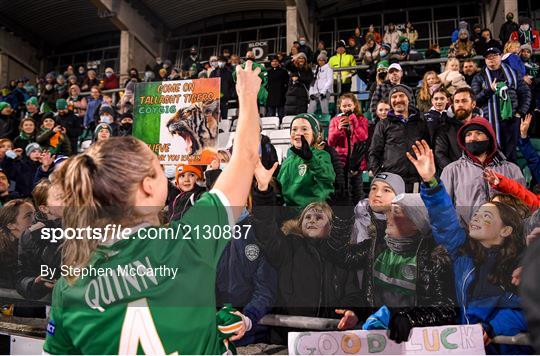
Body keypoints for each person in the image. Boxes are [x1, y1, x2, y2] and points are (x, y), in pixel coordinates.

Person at [42, 61, 263, 354]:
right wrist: (247, 94)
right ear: (148, 186)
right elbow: (246, 156)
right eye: (159, 168)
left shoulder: (68, 288)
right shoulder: (187, 242)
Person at [409, 140, 533, 354]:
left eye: (487, 216)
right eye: (477, 212)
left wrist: (491, 328)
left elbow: (524, 308)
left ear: (506, 230)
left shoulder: (523, 264)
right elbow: (445, 220)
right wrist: (431, 182)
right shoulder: (463, 252)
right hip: (469, 347)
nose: (475, 218)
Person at [323, 190, 456, 344]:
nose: (388, 216)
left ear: (416, 223)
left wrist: (408, 319)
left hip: (412, 343)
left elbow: (445, 309)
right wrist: (355, 311)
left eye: (396, 212)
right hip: (376, 340)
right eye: (389, 211)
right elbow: (342, 257)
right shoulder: (376, 246)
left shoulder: (434, 258)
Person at [251, 172, 363, 332]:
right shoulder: (287, 246)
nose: (311, 220)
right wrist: (262, 193)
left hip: (329, 336)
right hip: (287, 336)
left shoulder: (341, 256)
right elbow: (265, 231)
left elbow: (352, 293)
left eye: (318, 218)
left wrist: (352, 311)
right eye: (307, 217)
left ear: (331, 226)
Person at [440, 117, 525, 224]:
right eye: (468, 134)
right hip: (467, 235)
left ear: (489, 137)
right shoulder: (451, 171)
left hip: (504, 236)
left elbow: (522, 206)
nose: (472, 138)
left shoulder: (512, 170)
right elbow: (443, 210)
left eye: (478, 133)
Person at [471, 46, 531, 162]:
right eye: (488, 57)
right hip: (489, 122)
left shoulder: (513, 73)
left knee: (511, 157)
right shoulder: (479, 77)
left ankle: (510, 179)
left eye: (494, 56)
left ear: (501, 56)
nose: (491, 59)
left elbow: (525, 93)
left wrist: (520, 112)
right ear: (485, 60)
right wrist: (489, 90)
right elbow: (474, 101)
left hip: (511, 120)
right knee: (491, 156)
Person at [368, 84, 429, 192]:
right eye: (394, 97)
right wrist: (380, 175)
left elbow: (428, 148)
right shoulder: (383, 124)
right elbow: (374, 152)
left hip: (416, 180)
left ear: (408, 99)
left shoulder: (421, 121)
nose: (398, 100)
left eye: (401, 96)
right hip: (392, 181)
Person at [16, 179, 62, 300]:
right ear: (45, 209)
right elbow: (21, 277)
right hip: (53, 307)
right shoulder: (29, 236)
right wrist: (35, 283)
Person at [278, 114, 335, 209]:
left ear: (314, 134)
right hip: (288, 213)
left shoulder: (321, 155)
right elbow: (281, 188)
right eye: (294, 129)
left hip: (312, 214)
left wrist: (310, 159)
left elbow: (329, 177)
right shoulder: (288, 160)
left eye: (304, 129)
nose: (298, 133)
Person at [328, 93, 369, 204]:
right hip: (340, 163)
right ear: (340, 107)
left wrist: (354, 121)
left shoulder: (362, 119)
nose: (347, 108)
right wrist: (339, 130)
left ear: (354, 105)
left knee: (357, 192)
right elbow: (330, 142)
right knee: (342, 193)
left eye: (349, 105)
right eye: (344, 106)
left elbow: (363, 137)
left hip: (356, 162)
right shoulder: (334, 121)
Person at [434, 87, 478, 170]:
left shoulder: (484, 126)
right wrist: (457, 172)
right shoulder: (444, 128)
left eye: (464, 101)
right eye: (457, 101)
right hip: (456, 177)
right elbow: (440, 155)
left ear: (473, 104)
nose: (460, 104)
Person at [0, 199, 35, 288]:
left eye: (35, 214)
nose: (35, 219)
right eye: (28, 216)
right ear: (11, 225)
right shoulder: (3, 253)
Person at [210, 56, 235, 122]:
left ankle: (224, 128)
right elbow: (209, 85)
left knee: (224, 115)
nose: (220, 63)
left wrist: (229, 95)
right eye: (219, 61)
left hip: (224, 98)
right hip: (215, 98)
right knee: (214, 115)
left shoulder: (229, 73)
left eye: (222, 61)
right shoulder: (213, 73)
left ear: (225, 62)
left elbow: (232, 85)